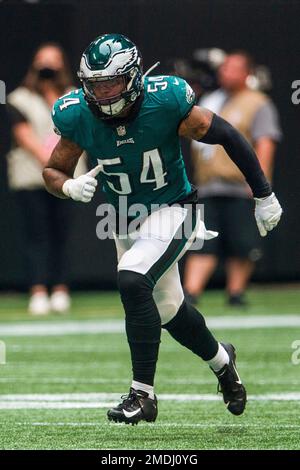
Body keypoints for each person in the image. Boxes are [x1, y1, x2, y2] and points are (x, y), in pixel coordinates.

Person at [43, 34, 282, 425]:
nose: (103, 94)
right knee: (169, 310)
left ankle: (142, 395)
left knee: (133, 279)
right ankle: (224, 362)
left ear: (134, 78)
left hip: (173, 207)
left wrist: (263, 194)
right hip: (123, 217)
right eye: (95, 85)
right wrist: (67, 185)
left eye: (111, 83)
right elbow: (53, 170)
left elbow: (227, 135)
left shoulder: (165, 100)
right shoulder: (76, 114)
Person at [184, 51, 282, 306]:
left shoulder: (258, 102)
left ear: (247, 73)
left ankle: (235, 292)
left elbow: (265, 142)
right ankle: (191, 292)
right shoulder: (213, 100)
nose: (225, 72)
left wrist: (260, 184)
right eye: (224, 67)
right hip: (208, 185)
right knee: (200, 240)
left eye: (233, 68)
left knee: (242, 242)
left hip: (240, 185)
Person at [6, 43, 85, 315]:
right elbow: (24, 135)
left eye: (53, 61)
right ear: (34, 65)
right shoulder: (19, 98)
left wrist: (63, 168)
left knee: (62, 235)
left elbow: (80, 131)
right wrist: (52, 163)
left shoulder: (75, 96)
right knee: (37, 235)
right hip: (32, 177)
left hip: (69, 178)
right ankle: (38, 290)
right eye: (43, 62)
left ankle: (61, 289)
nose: (48, 67)